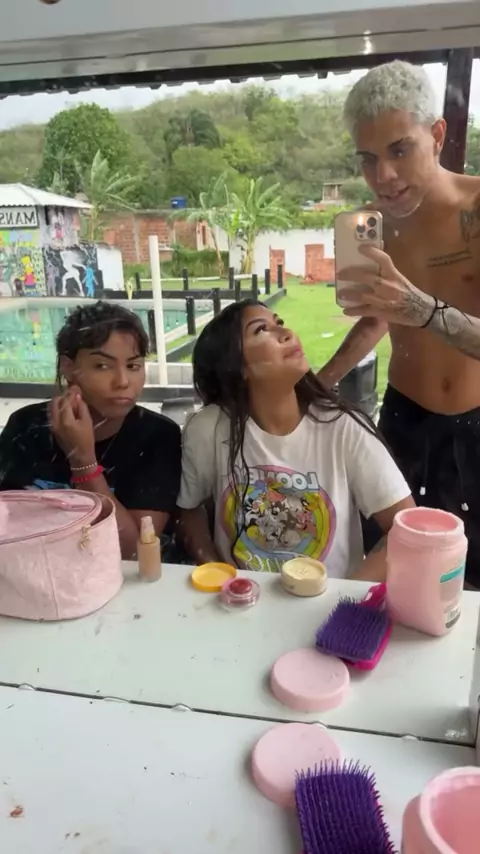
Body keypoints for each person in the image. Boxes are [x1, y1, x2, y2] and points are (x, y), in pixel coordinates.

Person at [317, 60, 480, 588]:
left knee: (467, 580)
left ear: (437, 136)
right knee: (389, 570)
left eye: (399, 150)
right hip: (404, 419)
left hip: (477, 423)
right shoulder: (371, 225)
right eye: (368, 159)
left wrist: (422, 309)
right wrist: (319, 383)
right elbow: (375, 321)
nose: (383, 176)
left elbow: (411, 309)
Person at [177, 299, 413, 579]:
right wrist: (218, 573)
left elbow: (405, 528)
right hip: (242, 599)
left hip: (328, 599)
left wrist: (344, 596)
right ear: (237, 367)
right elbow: (189, 510)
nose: (286, 333)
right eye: (261, 329)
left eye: (280, 323)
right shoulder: (208, 429)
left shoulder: (342, 429)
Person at [0, 301, 182, 560]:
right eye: (102, 366)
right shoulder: (26, 425)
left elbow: (134, 550)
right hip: (36, 568)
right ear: (68, 367)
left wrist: (83, 462)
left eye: (133, 366)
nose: (123, 382)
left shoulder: (157, 435)